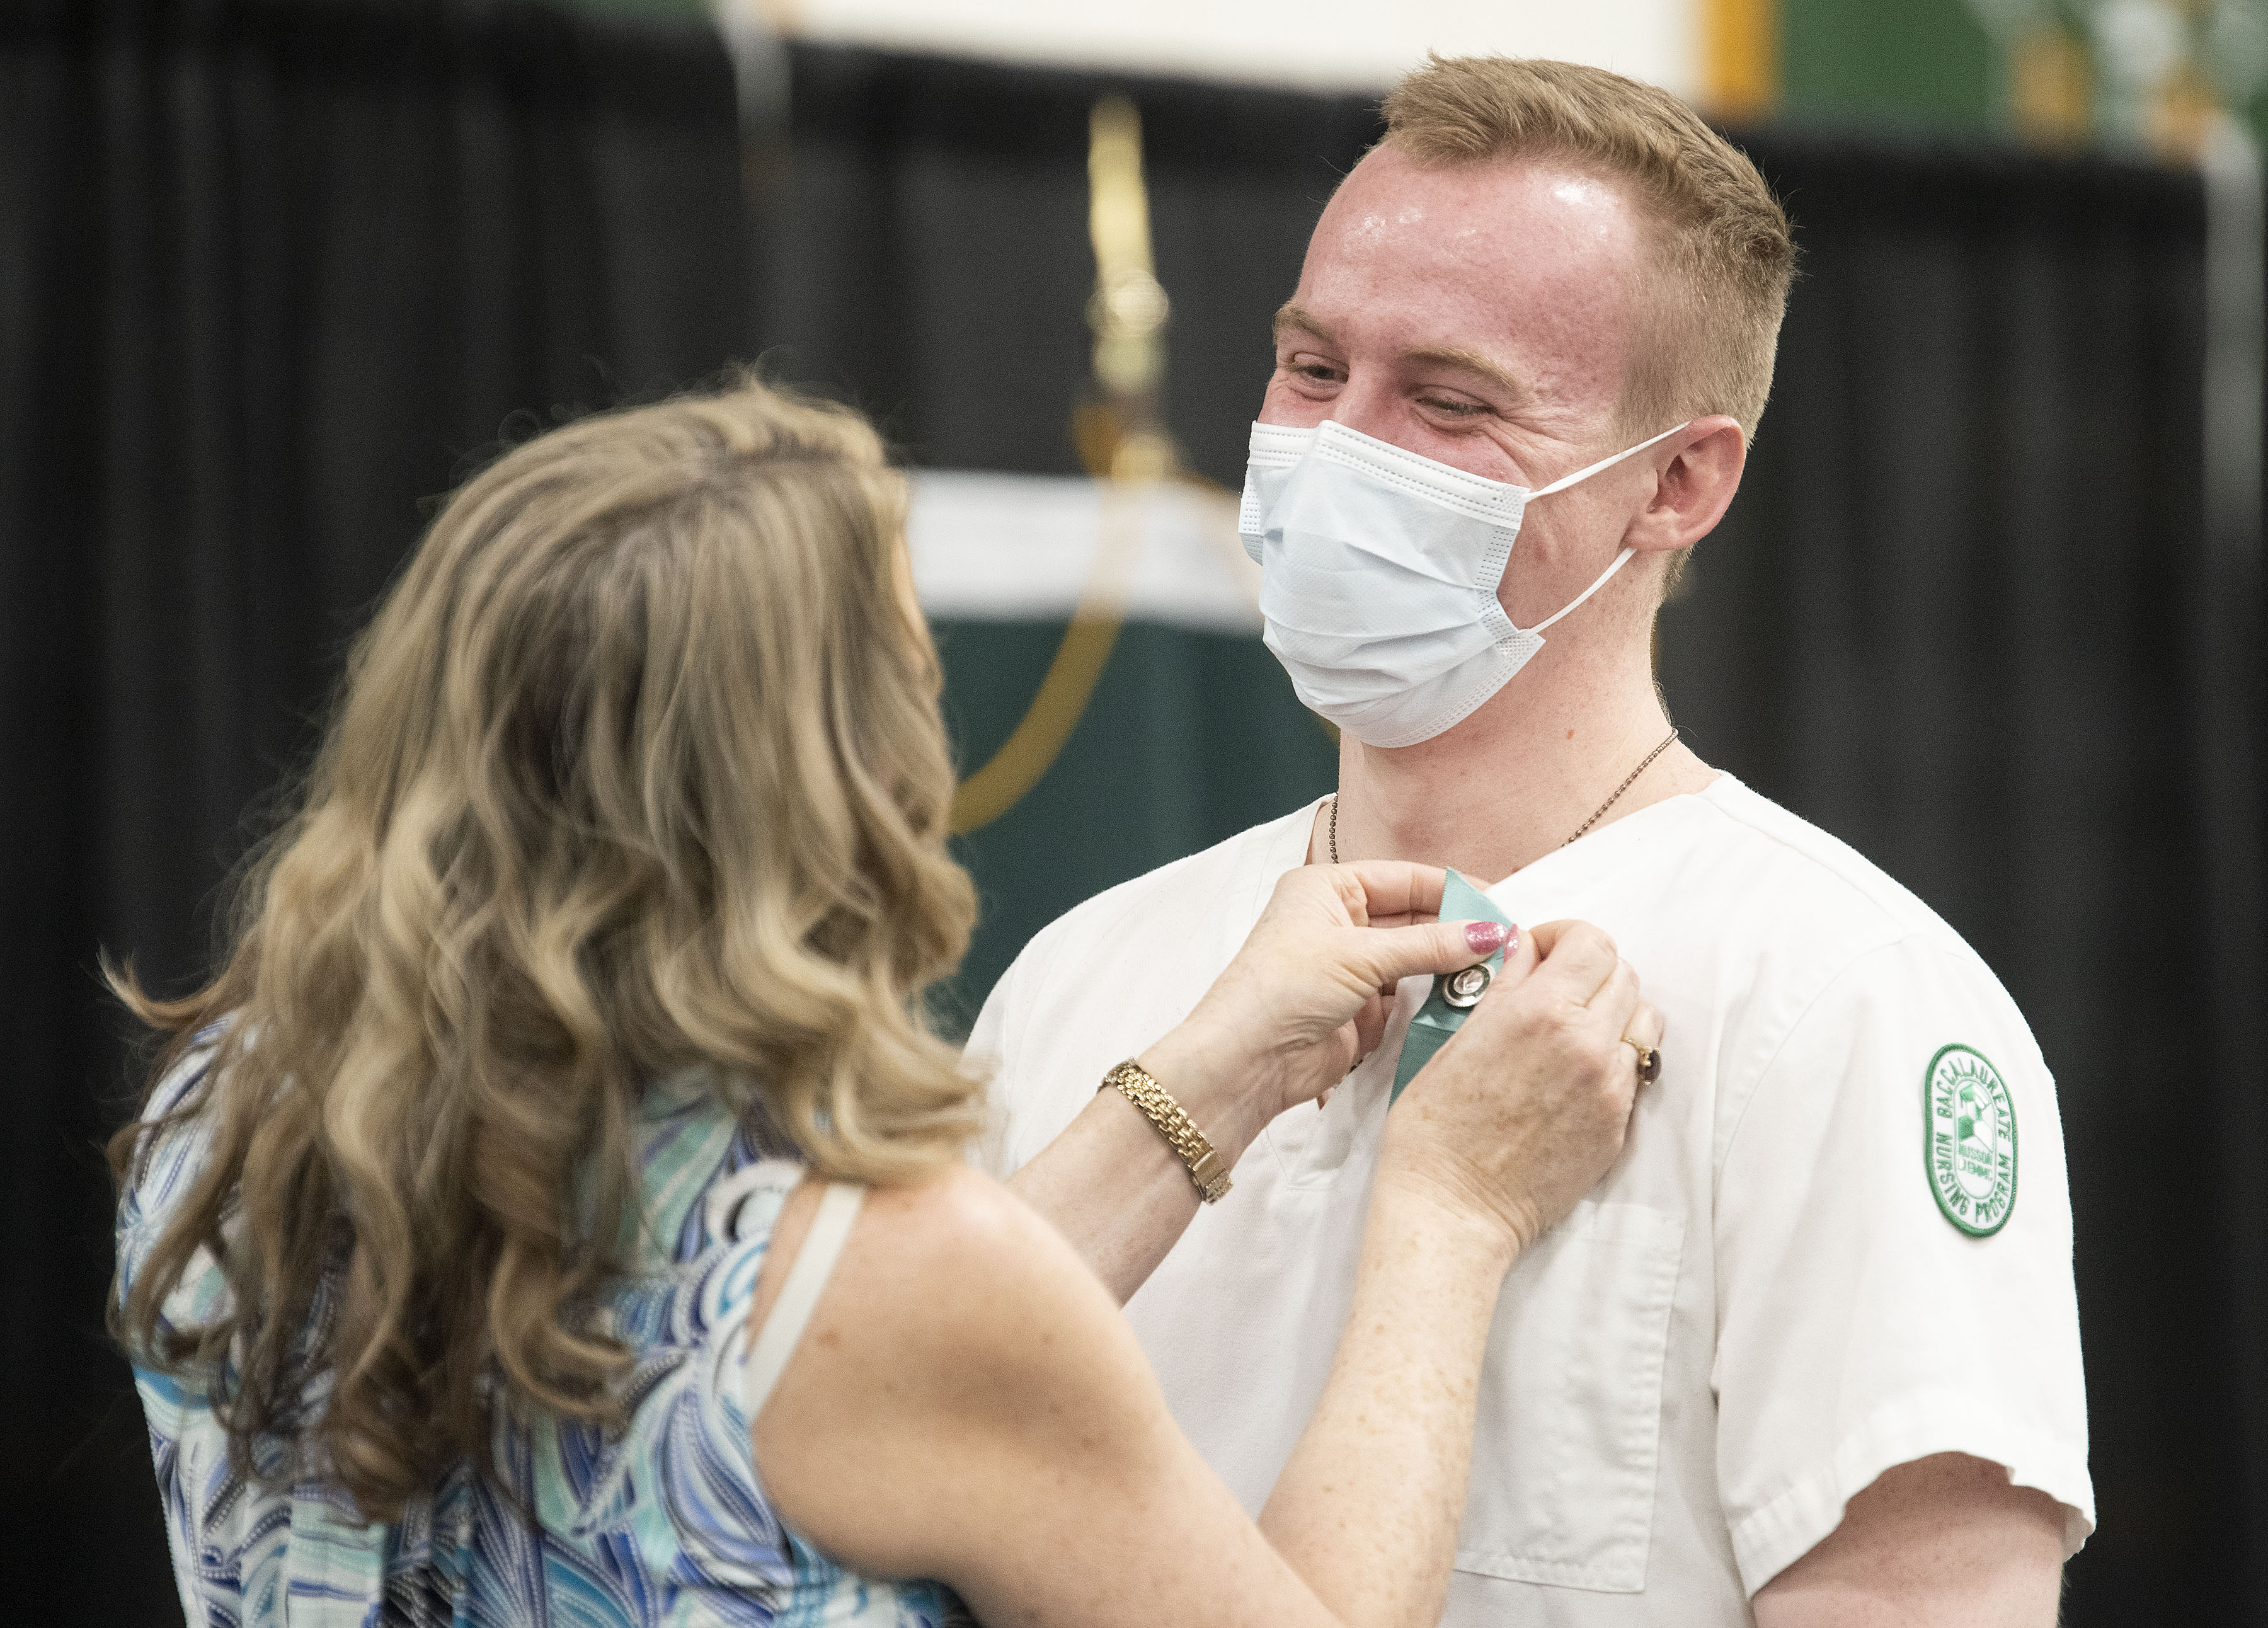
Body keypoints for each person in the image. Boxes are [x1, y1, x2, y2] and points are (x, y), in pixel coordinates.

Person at [109, 377, 1666, 1628]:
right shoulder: (891, 1279)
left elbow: (817, 1382)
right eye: (919, 688)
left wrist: (1221, 1070)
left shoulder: (224, 1122)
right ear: (829, 781)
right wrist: (1449, 1212)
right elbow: (873, 1345)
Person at [970, 54, 2090, 1627]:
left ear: (1679, 481)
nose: (1336, 449)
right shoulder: (1087, 976)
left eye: (1448, 400)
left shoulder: (1844, 1000)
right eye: (1309, 369)